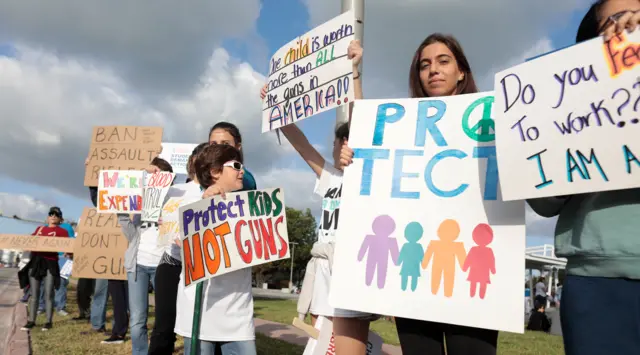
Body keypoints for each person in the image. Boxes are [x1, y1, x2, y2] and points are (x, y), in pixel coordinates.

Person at [340, 34, 498, 355]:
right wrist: (355, 154)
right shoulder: (406, 126)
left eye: (443, 61)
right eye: (425, 65)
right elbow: (369, 130)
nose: (433, 71)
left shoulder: (490, 122)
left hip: (469, 286)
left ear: (462, 72)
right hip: (415, 286)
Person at [528, 2, 640, 354]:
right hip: (598, 281)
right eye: (617, 21)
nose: (632, 25)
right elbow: (543, 202)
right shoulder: (564, 112)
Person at [259, 39, 370, 355]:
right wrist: (276, 106)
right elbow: (301, 143)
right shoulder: (329, 178)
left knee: (347, 339)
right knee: (323, 338)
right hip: (323, 266)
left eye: (349, 141)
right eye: (339, 141)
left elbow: (361, 120)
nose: (342, 146)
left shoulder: (366, 179)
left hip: (350, 263)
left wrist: (354, 71)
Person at [176, 144, 257, 355]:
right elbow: (179, 245)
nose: (242, 171)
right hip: (200, 312)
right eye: (236, 166)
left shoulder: (251, 208)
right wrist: (204, 207)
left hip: (238, 313)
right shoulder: (188, 205)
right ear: (214, 172)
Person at [149, 142, 208, 355]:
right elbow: (140, 200)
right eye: (200, 157)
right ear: (192, 162)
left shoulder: (222, 193)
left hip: (202, 268)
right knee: (163, 328)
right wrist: (149, 175)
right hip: (172, 263)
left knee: (198, 330)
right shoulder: (174, 189)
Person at [118, 157, 174, 355]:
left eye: (155, 175)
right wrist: (121, 211)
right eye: (149, 176)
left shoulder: (173, 201)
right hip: (138, 265)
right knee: (137, 318)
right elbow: (131, 235)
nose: (151, 178)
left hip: (163, 266)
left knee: (164, 317)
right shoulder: (140, 203)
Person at [19, 207, 70, 331]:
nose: (53, 216)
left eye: (56, 214)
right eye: (51, 214)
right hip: (36, 261)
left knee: (48, 293)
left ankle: (48, 322)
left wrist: (69, 252)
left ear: (60, 218)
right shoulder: (39, 229)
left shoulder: (62, 232)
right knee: (34, 293)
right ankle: (31, 321)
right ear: (48, 217)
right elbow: (30, 240)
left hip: (50, 262)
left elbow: (69, 246)